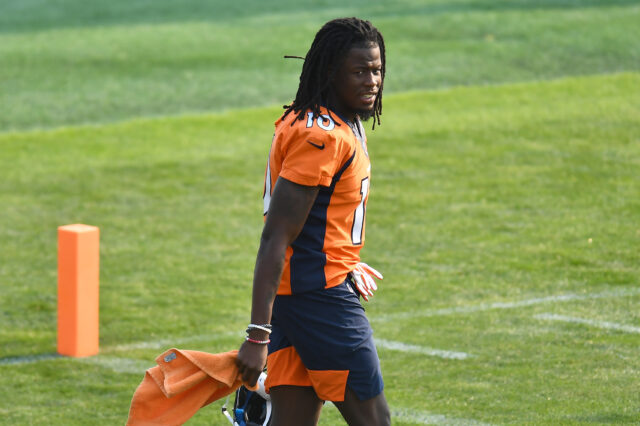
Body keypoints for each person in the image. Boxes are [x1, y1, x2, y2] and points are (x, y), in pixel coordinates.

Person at [236, 17, 390, 426]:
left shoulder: (337, 120)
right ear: (329, 73)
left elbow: (316, 219)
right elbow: (276, 237)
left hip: (302, 292)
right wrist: (256, 334)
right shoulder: (321, 135)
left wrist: (340, 254)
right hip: (318, 298)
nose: (371, 81)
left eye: (376, 70)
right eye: (359, 71)